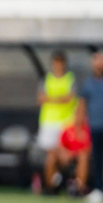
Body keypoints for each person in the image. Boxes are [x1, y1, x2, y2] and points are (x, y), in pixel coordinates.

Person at [38, 51, 77, 191]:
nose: (58, 65)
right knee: (50, 156)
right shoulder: (47, 79)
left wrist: (51, 98)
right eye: (56, 62)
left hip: (65, 123)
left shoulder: (69, 78)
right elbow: (41, 98)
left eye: (61, 63)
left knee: (64, 157)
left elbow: (70, 98)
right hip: (48, 122)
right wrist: (60, 99)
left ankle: (62, 179)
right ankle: (51, 187)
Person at [76, 51, 103, 199]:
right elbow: (82, 105)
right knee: (97, 159)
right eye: (97, 62)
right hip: (95, 127)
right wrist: (78, 127)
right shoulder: (88, 83)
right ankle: (98, 189)